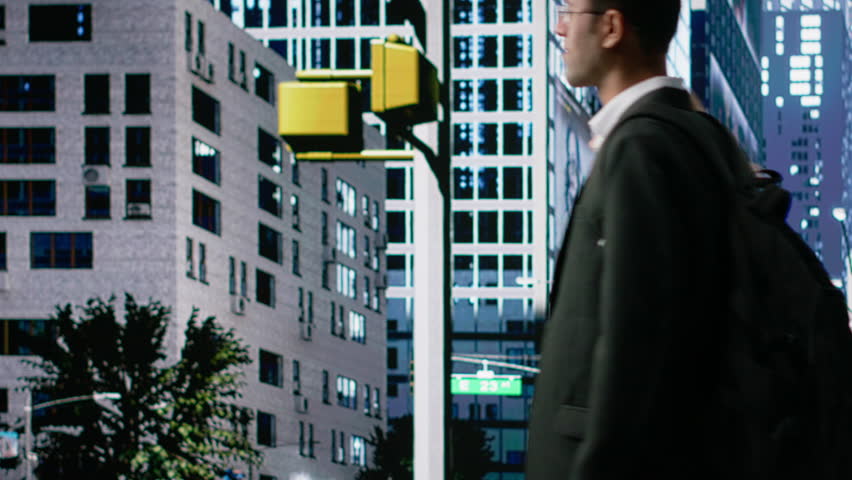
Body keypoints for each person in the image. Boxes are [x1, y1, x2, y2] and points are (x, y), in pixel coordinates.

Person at [526, 1, 753, 479]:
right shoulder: (694, 136)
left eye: (569, 11)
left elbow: (635, 346)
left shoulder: (641, 147)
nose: (560, 27)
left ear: (611, 27)